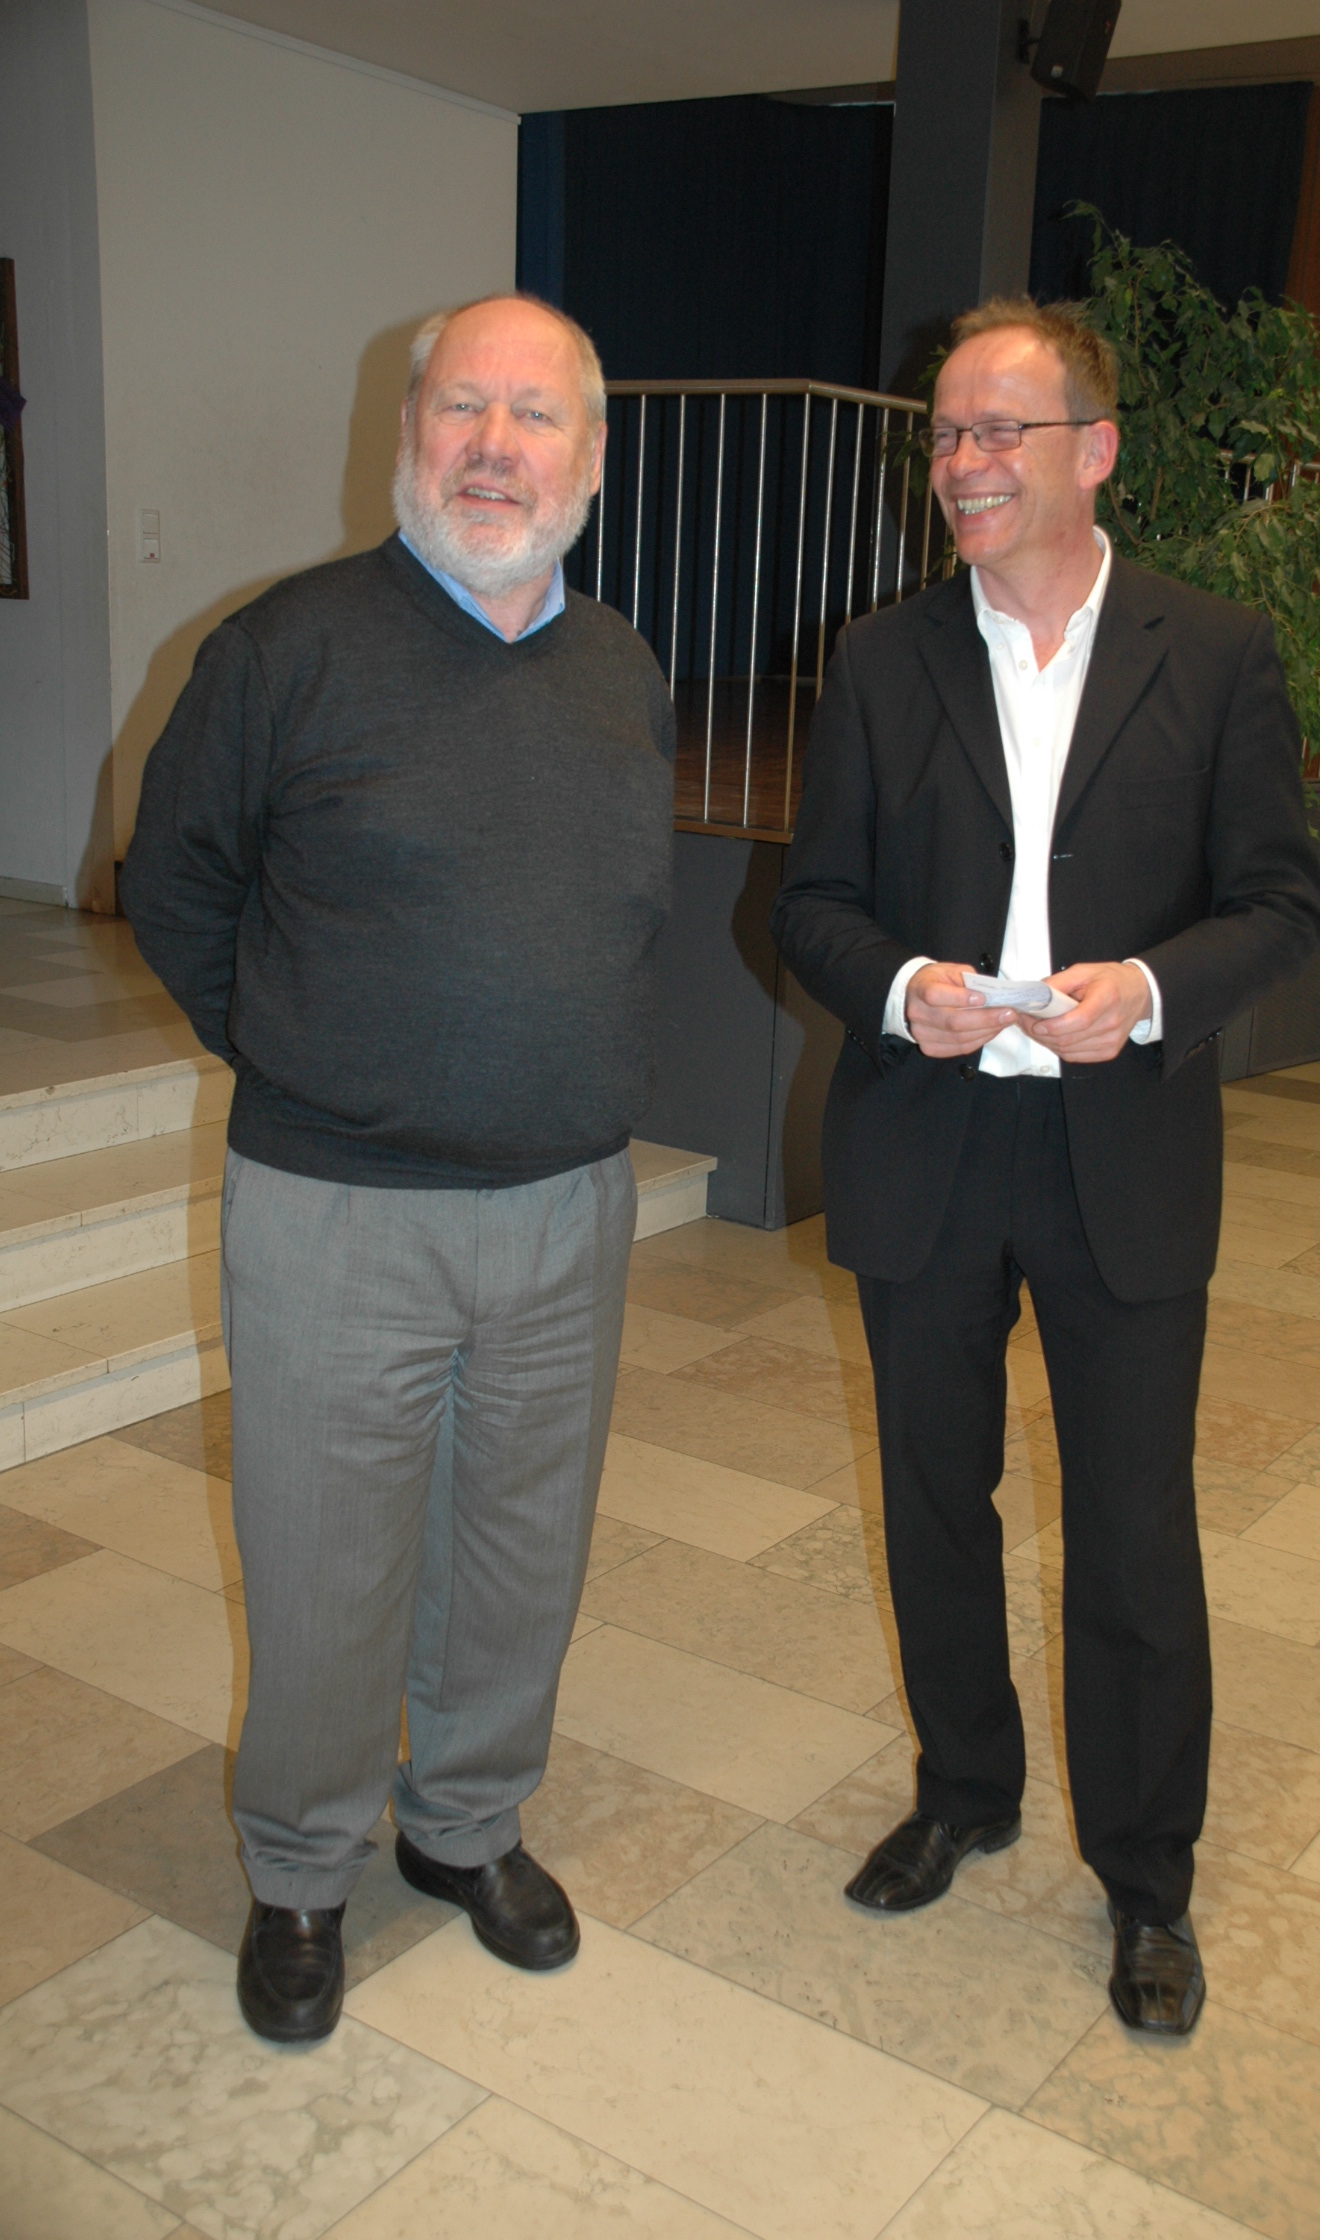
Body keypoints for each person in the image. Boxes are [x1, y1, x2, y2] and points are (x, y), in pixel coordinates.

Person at [122, 294, 675, 2044]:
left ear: (592, 456)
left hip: (565, 1207)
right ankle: (300, 1866)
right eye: (463, 407)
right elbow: (174, 882)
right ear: (408, 430)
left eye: (535, 414)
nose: (494, 446)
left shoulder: (622, 669)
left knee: (522, 1552)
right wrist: (305, 1057)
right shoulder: (284, 649)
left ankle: (465, 1826)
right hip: (337, 1210)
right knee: (322, 1563)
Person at [771, 297, 1320, 2036]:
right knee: (934, 1499)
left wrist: (1149, 992)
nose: (962, 462)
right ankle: (964, 1790)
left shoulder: (1214, 654)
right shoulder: (880, 660)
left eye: (997, 430)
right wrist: (902, 989)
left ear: (1096, 447)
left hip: (1122, 1147)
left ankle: (1147, 1880)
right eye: (945, 433)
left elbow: (1283, 904)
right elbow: (811, 906)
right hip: (930, 1135)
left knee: (1134, 1527)